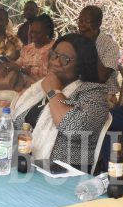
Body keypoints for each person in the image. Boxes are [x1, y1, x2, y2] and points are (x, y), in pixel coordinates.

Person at [9, 33, 109, 171]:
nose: (55, 62)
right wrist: (2, 131)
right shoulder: (40, 88)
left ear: (81, 65)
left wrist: (53, 91)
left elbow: (73, 128)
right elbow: (17, 122)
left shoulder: (94, 93)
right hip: (24, 162)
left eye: (64, 59)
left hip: (63, 171)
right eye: (54, 55)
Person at [77, 5, 120, 103]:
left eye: (87, 21)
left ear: (98, 24)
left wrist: (91, 45)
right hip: (78, 91)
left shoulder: (110, 45)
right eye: (80, 20)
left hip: (103, 95)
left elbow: (102, 78)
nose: (81, 25)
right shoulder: (75, 40)